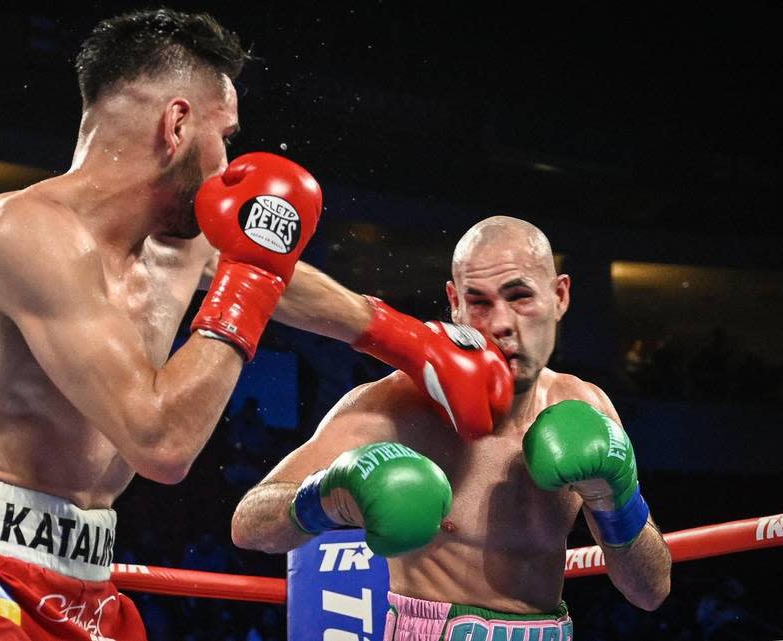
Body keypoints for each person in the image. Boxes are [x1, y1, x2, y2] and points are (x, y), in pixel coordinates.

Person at [0, 8, 511, 641]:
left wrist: (414, 344)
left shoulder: (180, 244)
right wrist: (252, 274)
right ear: (177, 123)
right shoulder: (24, 233)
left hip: (88, 582)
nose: (229, 159)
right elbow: (161, 442)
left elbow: (288, 282)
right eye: (225, 134)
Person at [232, 216, 672, 640]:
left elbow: (650, 591)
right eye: (479, 301)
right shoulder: (397, 406)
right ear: (455, 303)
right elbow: (248, 524)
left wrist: (615, 497)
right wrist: (329, 495)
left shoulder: (585, 405)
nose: (500, 324)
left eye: (519, 296)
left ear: (559, 296)